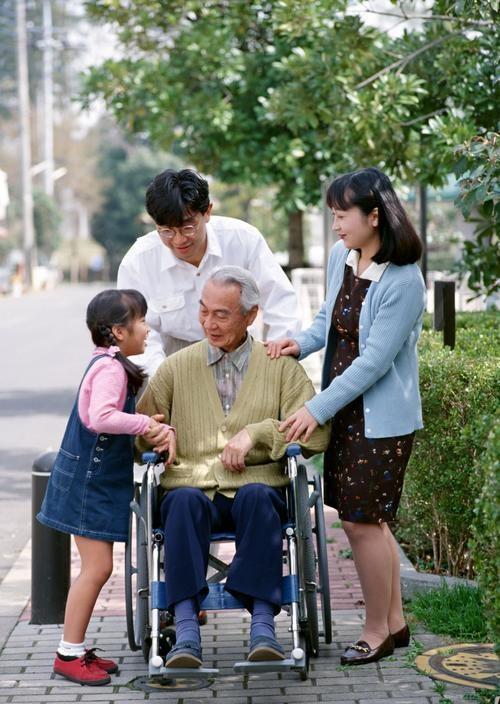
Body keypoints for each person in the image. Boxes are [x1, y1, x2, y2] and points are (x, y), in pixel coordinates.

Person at [266, 167, 426, 666]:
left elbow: (375, 361)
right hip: (344, 408)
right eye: (332, 215)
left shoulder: (404, 280)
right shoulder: (344, 256)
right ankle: (396, 622)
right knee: (367, 522)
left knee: (362, 523)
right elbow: (327, 320)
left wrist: (316, 408)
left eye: (342, 215)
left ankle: (376, 628)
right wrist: (302, 342)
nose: (335, 225)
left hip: (381, 419)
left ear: (374, 216)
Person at [136, 266, 330, 668]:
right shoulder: (176, 367)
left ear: (251, 315)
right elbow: (142, 431)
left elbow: (316, 436)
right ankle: (186, 629)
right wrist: (156, 433)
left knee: (259, 497)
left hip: (256, 486)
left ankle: (263, 625)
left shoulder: (279, 366)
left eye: (221, 314)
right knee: (184, 502)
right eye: (204, 311)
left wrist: (259, 434)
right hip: (192, 486)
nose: (209, 323)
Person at [37, 289, 176, 686]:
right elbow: (100, 417)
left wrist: (142, 421)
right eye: (141, 321)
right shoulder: (111, 369)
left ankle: (75, 648)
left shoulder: (109, 363)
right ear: (118, 331)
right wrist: (145, 425)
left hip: (92, 481)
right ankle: (68, 653)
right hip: (87, 484)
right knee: (96, 569)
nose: (147, 328)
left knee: (97, 568)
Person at [117, 168, 300, 377]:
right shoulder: (138, 262)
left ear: (207, 212)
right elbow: (139, 334)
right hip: (170, 359)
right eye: (166, 231)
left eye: (188, 228)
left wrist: (274, 361)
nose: (178, 240)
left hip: (238, 353)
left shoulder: (243, 240)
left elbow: (281, 302)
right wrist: (163, 380)